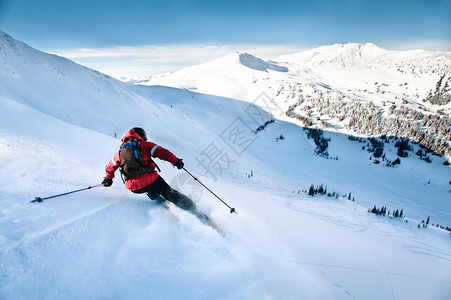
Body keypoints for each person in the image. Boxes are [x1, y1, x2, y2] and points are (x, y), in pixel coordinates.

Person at [101, 127, 197, 212]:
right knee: (169, 192)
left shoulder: (119, 152)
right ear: (142, 135)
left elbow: (110, 167)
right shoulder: (145, 145)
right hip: (151, 181)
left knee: (147, 187)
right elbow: (163, 152)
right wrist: (176, 162)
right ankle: (194, 210)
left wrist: (108, 179)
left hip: (133, 187)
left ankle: (158, 199)